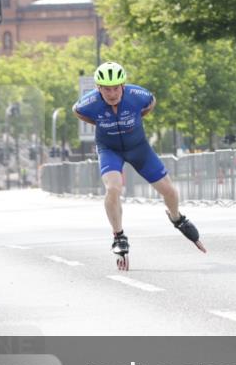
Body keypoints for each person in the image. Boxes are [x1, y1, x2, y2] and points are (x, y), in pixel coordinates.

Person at [72, 61, 205, 269]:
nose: (112, 93)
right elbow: (77, 111)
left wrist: (137, 117)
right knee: (113, 188)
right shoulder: (89, 103)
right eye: (107, 89)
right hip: (109, 150)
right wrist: (98, 122)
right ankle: (118, 236)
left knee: (169, 191)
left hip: (139, 148)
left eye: (116, 88)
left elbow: (151, 102)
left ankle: (177, 218)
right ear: (99, 88)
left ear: (123, 85)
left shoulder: (138, 95)